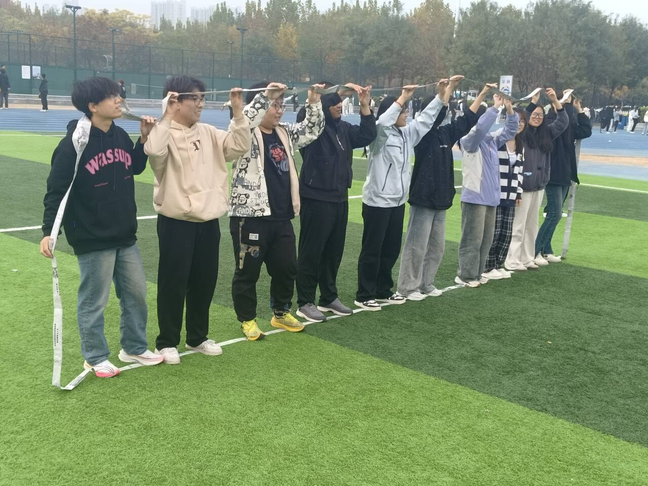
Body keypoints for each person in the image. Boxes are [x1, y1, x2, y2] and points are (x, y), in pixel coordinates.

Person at [40, 77, 162, 378]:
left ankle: (134, 347)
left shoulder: (119, 135)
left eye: (118, 95)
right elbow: (57, 190)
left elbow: (134, 166)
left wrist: (143, 140)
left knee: (136, 294)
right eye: (111, 97)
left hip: (124, 233)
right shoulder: (74, 143)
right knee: (94, 301)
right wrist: (49, 231)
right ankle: (94, 357)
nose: (119, 100)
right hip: (92, 235)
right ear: (93, 106)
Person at [144, 76, 250, 364]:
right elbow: (153, 153)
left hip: (208, 221)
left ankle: (197, 337)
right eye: (195, 98)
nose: (201, 104)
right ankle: (167, 341)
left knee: (204, 281)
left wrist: (238, 111)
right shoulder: (163, 133)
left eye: (202, 98)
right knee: (173, 282)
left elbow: (240, 145)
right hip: (176, 221)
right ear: (175, 101)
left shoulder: (210, 132)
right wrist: (166, 115)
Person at [229, 82, 325, 341]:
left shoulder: (284, 133)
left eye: (282, 105)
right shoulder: (244, 132)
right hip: (250, 216)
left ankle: (280, 312)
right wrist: (264, 96)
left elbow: (313, 129)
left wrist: (313, 102)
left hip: (281, 216)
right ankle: (247, 319)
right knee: (248, 271)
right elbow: (244, 120)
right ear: (260, 104)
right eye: (275, 104)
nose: (280, 110)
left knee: (287, 268)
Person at [355, 82, 446, 310]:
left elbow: (425, 120)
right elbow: (382, 121)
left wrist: (440, 96)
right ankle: (364, 294)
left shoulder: (407, 134)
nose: (406, 115)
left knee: (391, 249)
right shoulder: (379, 135)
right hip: (377, 202)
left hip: (397, 202)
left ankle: (383, 289)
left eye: (406, 111)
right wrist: (403, 97)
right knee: (372, 250)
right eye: (403, 111)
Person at [397, 76, 486, 301]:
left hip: (441, 199)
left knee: (436, 247)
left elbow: (467, 120)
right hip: (423, 198)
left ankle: (426, 283)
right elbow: (435, 114)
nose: (443, 113)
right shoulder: (421, 134)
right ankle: (407, 287)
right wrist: (447, 91)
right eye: (440, 108)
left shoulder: (445, 132)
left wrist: (483, 94)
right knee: (416, 246)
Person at [295, 83, 377, 322]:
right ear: (323, 105)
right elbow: (304, 115)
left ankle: (328, 297)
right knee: (311, 252)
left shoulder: (344, 128)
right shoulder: (314, 127)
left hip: (339, 198)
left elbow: (367, 135)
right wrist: (328, 94)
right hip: (316, 197)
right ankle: (305, 301)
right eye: (334, 103)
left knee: (333, 251)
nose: (340, 106)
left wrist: (364, 106)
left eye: (340, 102)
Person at [456, 93, 519, 288]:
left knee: (485, 240)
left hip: (491, 198)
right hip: (475, 197)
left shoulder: (491, 141)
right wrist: (495, 107)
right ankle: (466, 275)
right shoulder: (469, 141)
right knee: (472, 239)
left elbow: (510, 130)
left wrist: (509, 109)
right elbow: (480, 129)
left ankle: (478, 272)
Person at [504, 88, 568, 271]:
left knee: (532, 225)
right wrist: (532, 102)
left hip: (539, 186)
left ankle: (526, 258)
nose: (537, 118)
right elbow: (521, 117)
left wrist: (555, 100)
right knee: (518, 225)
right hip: (523, 186)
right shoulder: (522, 133)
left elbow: (563, 121)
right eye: (534, 114)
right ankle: (512, 259)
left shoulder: (547, 133)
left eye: (540, 115)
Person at [535, 95, 592, 263]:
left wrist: (579, 109)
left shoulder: (569, 123)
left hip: (566, 172)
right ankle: (535, 250)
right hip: (552, 173)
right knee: (555, 213)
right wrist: (563, 105)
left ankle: (546, 249)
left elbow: (585, 131)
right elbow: (562, 124)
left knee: (555, 214)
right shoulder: (550, 121)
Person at [483, 108, 526, 281]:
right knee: (494, 231)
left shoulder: (520, 145)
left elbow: (520, 171)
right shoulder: (497, 141)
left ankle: (498, 264)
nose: (520, 124)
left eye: (522, 121)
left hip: (511, 195)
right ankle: (487, 265)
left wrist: (518, 193)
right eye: (517, 120)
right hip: (496, 194)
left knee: (506, 232)